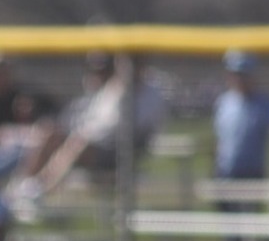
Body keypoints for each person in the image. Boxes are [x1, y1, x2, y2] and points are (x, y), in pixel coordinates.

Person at [19, 52, 167, 200]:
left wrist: (89, 134)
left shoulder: (151, 93)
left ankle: (42, 191)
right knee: (49, 132)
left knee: (79, 143)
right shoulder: (113, 87)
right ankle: (27, 185)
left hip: (120, 150)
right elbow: (91, 118)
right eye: (122, 64)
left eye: (132, 64)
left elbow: (138, 129)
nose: (126, 69)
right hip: (93, 140)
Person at [211, 50, 269, 186]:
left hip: (252, 172)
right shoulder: (223, 102)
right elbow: (219, 138)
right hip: (225, 171)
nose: (239, 79)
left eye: (244, 75)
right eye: (235, 74)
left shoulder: (265, 103)